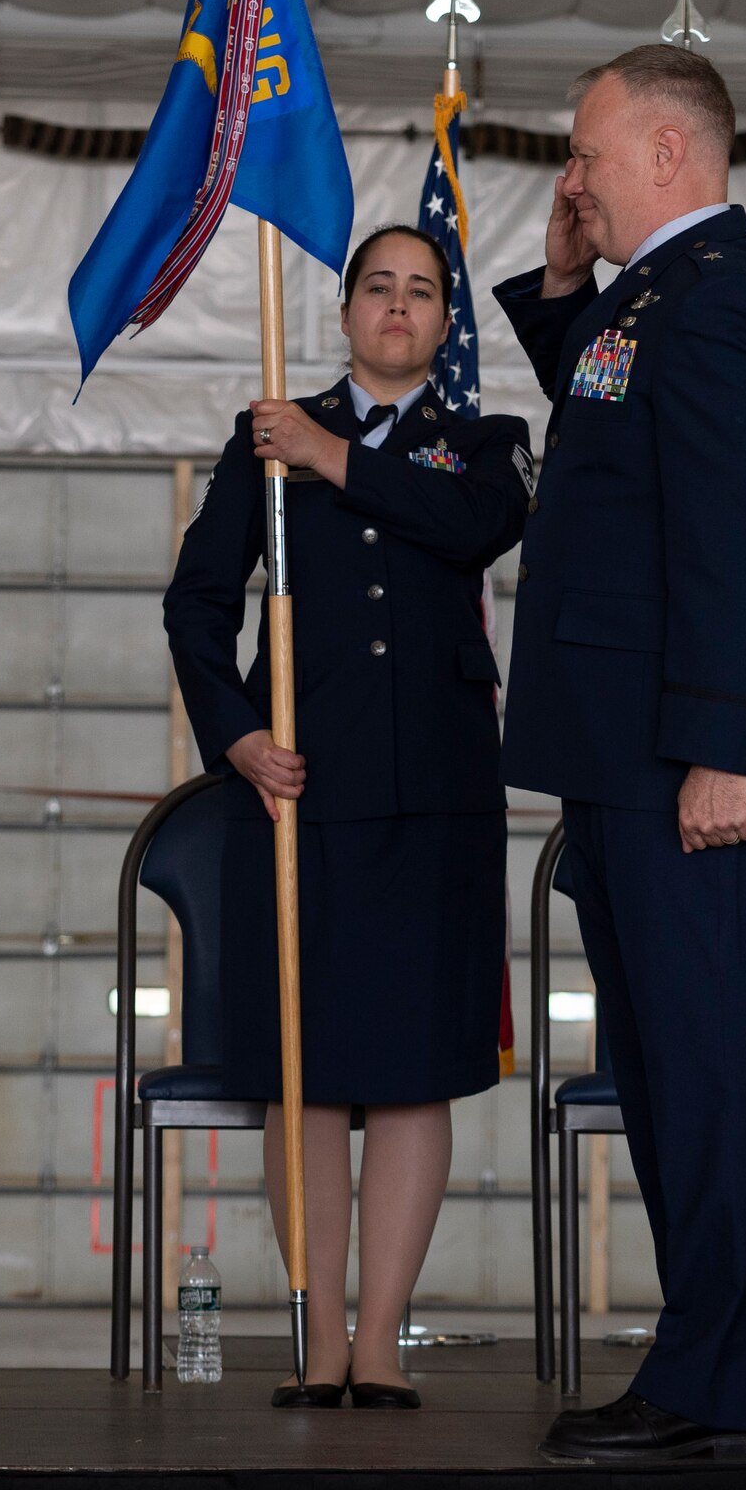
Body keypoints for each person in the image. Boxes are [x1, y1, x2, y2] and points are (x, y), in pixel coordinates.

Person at [493, 45, 746, 1464]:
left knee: (711, 1078)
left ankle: (718, 1386)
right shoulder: (654, 299)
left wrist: (712, 751)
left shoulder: (725, 305)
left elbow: (739, 545)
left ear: (671, 156)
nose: (569, 178)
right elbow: (608, 422)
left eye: (586, 153)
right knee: (665, 1076)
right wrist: (563, 284)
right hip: (628, 757)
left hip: (692, 766)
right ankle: (702, 1363)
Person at [164, 225, 532, 1409]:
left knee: (416, 1071)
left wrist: (328, 452)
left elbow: (472, 527)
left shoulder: (484, 445)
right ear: (341, 309)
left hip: (436, 798)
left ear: (443, 321)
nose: (397, 306)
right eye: (377, 285)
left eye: (421, 292)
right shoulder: (258, 441)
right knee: (306, 1073)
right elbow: (195, 603)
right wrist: (233, 733)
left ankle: (380, 1340)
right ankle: (318, 1341)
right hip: (299, 795)